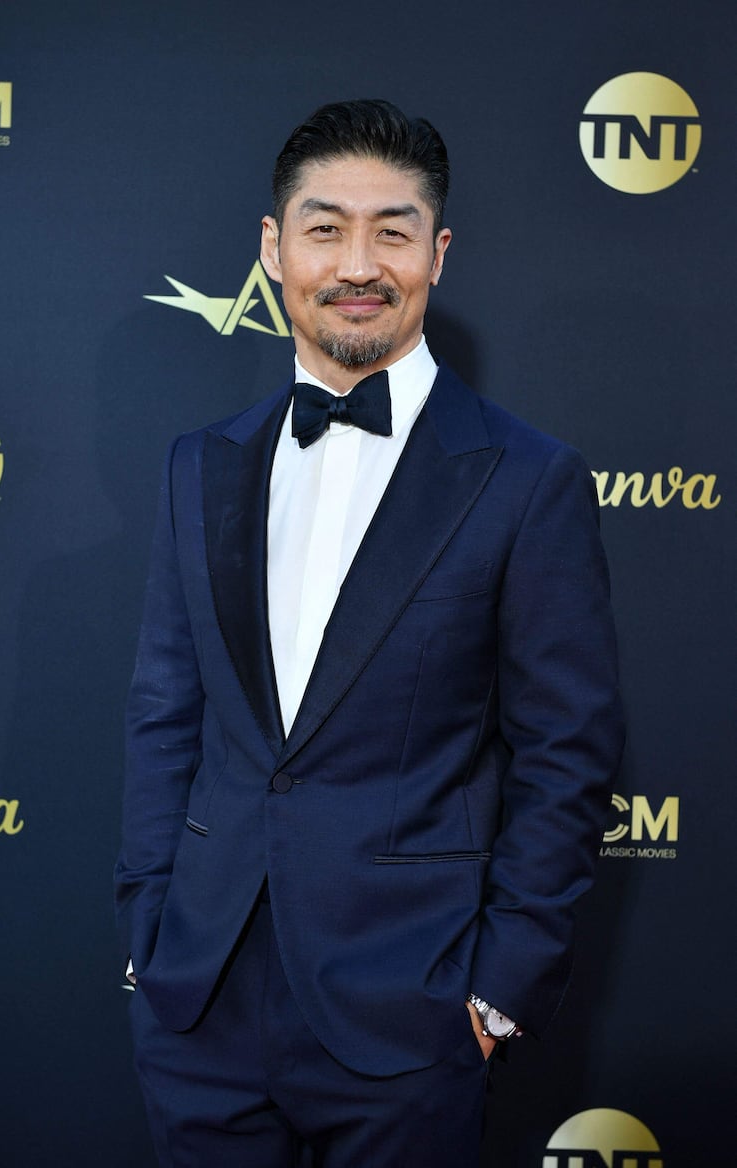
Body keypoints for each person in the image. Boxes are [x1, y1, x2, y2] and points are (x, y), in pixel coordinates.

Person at [115, 98, 624, 1167]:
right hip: (197, 1003)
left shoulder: (528, 481)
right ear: (272, 249)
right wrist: (148, 936)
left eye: (390, 231)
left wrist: (497, 987)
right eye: (323, 227)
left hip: (410, 1012)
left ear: (435, 254)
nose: (356, 263)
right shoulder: (196, 465)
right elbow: (167, 715)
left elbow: (565, 751)